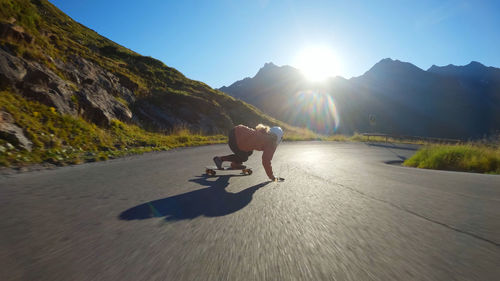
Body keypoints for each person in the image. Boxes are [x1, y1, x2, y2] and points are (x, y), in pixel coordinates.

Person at [213, 124, 284, 181]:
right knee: (244, 157)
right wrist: (271, 176)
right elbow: (266, 161)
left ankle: (235, 164)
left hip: (236, 130)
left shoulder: (264, 132)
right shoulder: (271, 144)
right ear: (278, 138)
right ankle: (220, 159)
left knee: (249, 152)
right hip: (236, 139)